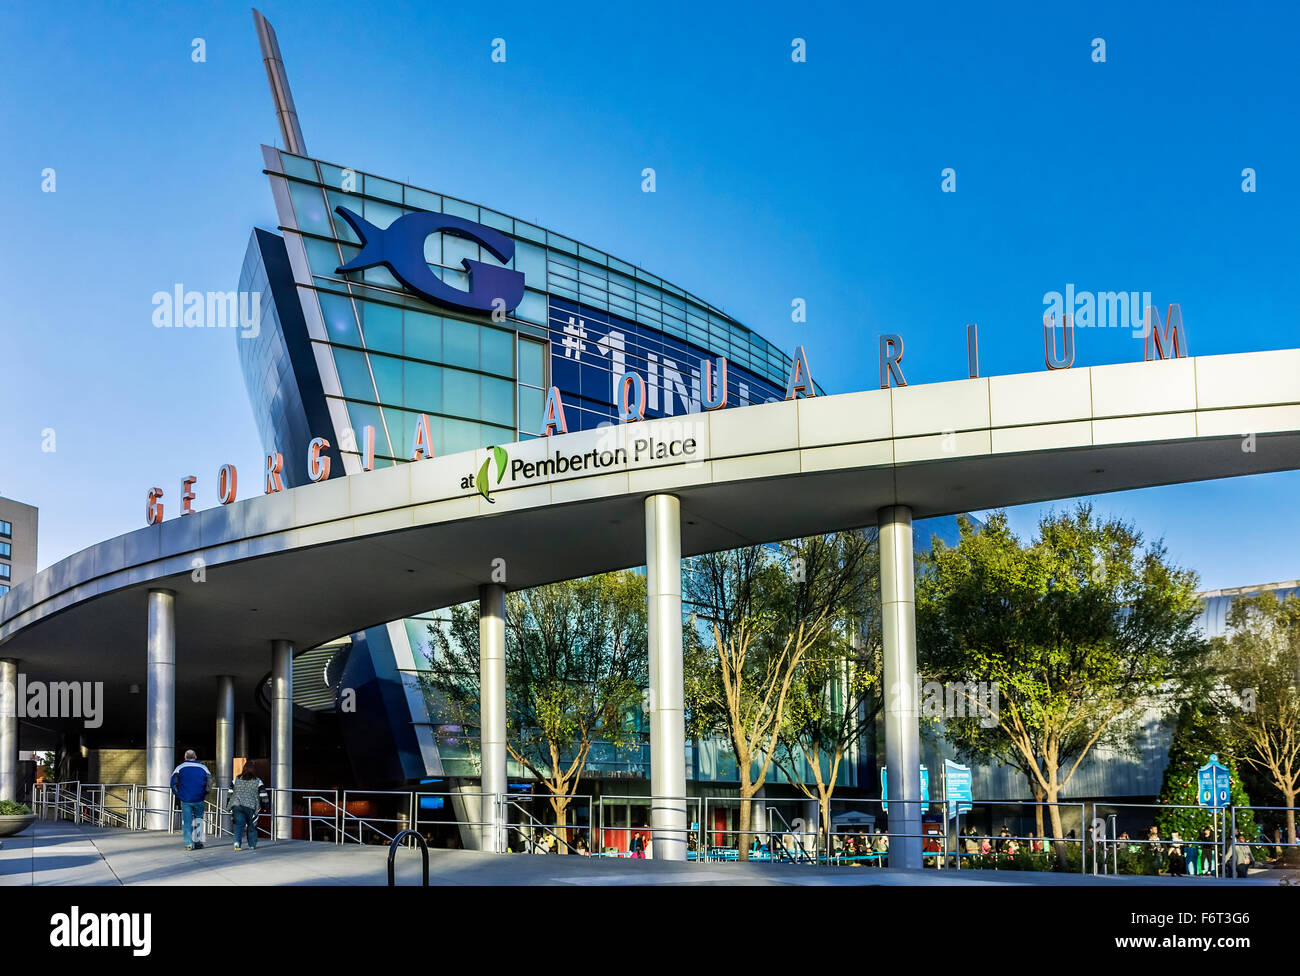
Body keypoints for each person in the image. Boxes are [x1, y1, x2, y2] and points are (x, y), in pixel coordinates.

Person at [170, 749, 212, 851]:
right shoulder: (204, 768)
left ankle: (189, 843)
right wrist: (205, 793)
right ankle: (198, 842)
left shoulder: (179, 768)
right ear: (195, 757)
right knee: (199, 819)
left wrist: (179, 795)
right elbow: (210, 782)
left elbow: (173, 784)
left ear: (185, 757)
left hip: (186, 799)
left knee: (187, 821)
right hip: (199, 798)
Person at [227, 763, 262, 851]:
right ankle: (252, 845)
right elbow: (263, 794)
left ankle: (237, 844)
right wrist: (265, 806)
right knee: (252, 825)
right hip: (251, 806)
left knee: (238, 825)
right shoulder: (258, 781)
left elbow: (230, 792)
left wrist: (229, 803)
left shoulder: (236, 779)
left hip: (237, 805)